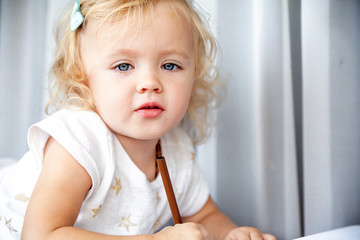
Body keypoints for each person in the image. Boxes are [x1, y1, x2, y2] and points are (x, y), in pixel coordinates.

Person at [0, 0, 276, 239]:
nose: (150, 83)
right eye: (124, 66)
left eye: (170, 65)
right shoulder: (80, 141)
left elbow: (204, 215)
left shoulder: (176, 148)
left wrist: (229, 233)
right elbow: (41, 235)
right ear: (82, 77)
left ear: (195, 74)